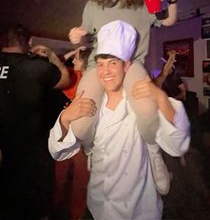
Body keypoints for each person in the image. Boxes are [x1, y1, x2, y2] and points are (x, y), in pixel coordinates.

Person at [68, 0, 178, 193]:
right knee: (80, 127)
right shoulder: (93, 4)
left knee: (146, 110)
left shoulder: (141, 1)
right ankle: (91, 148)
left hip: (132, 67)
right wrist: (75, 36)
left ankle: (154, 154)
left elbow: (168, 22)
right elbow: (86, 39)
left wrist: (173, 1)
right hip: (98, 66)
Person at [49, 20, 190, 220]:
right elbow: (59, 152)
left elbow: (177, 145)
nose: (105, 72)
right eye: (100, 64)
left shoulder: (141, 102)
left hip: (142, 209)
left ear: (126, 66)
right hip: (100, 208)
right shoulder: (90, 103)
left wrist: (160, 97)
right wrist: (65, 118)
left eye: (113, 63)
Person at [0, 23, 70, 220]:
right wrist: (52, 56)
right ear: (29, 42)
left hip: (5, 149)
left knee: (8, 200)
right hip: (35, 149)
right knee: (37, 203)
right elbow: (65, 80)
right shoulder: (37, 67)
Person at [51, 46, 91, 220]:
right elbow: (54, 66)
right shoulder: (70, 77)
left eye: (77, 58)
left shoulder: (91, 81)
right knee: (60, 177)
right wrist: (71, 53)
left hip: (82, 139)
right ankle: (54, 208)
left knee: (80, 181)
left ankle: (77, 215)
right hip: (66, 133)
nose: (73, 61)